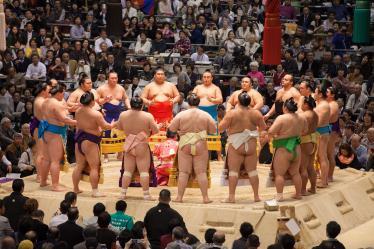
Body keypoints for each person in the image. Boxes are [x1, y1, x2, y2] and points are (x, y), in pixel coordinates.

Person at [218, 92, 266, 203]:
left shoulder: (232, 113)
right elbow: (263, 127)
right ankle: (256, 196)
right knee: (253, 171)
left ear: (238, 102)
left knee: (233, 172)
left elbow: (220, 129)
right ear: (250, 102)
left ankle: (231, 197)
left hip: (236, 145)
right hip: (251, 144)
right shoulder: (256, 113)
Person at [168, 94, 216, 203]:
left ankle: (179, 198)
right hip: (200, 144)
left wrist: (182, 131)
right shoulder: (206, 115)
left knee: (184, 172)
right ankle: (205, 198)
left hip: (185, 143)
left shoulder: (181, 114)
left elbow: (172, 128)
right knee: (201, 172)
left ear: (188, 103)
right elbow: (213, 130)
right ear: (198, 103)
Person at [72, 92, 115, 197]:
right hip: (90, 141)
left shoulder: (77, 111)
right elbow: (106, 126)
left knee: (78, 165)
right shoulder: (96, 114)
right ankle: (95, 192)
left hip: (79, 140)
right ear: (91, 102)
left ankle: (75, 189)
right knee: (94, 167)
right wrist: (113, 124)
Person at [117, 96, 159, 200]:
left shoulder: (123, 115)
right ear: (142, 106)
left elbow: (119, 127)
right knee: (143, 171)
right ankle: (146, 195)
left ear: (130, 104)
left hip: (129, 144)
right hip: (141, 144)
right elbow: (156, 131)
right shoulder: (148, 116)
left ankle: (122, 194)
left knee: (127, 171)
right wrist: (153, 129)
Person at [38, 85, 77, 191]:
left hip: (46, 132)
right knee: (55, 160)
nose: (63, 96)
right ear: (59, 93)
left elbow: (56, 112)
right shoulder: (56, 104)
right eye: (63, 93)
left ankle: (43, 181)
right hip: (55, 134)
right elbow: (64, 119)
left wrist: (69, 108)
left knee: (46, 158)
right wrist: (79, 122)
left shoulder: (46, 101)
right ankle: (55, 185)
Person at [265, 98, 304, 201]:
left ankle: (279, 196)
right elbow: (306, 130)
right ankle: (298, 194)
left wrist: (272, 136)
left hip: (284, 149)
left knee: (279, 174)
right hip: (296, 147)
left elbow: (271, 132)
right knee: (295, 173)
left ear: (285, 107)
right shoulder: (301, 118)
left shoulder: (282, 118)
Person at [97, 71, 130, 141]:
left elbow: (126, 98)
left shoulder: (121, 88)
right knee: (107, 137)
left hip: (118, 116)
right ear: (108, 79)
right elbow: (95, 102)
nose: (114, 80)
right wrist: (104, 100)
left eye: (116, 78)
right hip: (106, 116)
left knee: (119, 137)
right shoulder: (101, 89)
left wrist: (129, 108)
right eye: (112, 78)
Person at [299, 96, 319, 195]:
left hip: (305, 141)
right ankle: (313, 188)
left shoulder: (304, 115)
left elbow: (301, 130)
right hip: (314, 139)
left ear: (306, 105)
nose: (301, 105)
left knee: (303, 167)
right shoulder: (315, 114)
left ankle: (302, 190)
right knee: (310, 166)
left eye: (302, 103)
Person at [314, 85, 331, 188]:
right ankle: (323, 178)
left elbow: (319, 122)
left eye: (316, 92)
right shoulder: (320, 104)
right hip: (321, 132)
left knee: (322, 157)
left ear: (320, 94)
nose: (314, 94)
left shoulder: (323, 105)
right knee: (321, 156)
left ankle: (324, 181)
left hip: (321, 132)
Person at [327, 87, 340, 182]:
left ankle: (330, 175)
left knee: (329, 154)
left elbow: (328, 118)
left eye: (327, 92)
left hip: (331, 129)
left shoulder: (333, 105)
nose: (325, 92)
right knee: (323, 154)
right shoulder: (328, 103)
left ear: (332, 95)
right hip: (327, 128)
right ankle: (325, 173)